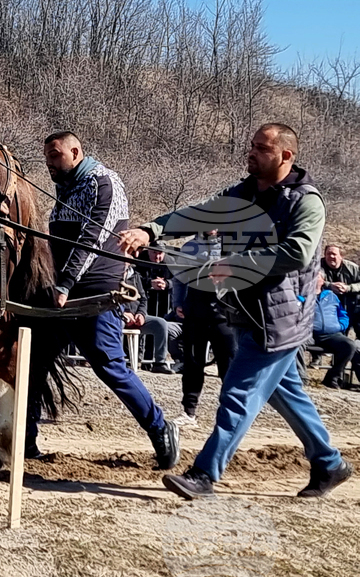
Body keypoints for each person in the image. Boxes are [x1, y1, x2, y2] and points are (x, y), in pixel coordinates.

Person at [121, 122, 353, 499]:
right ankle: (329, 463)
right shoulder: (242, 194)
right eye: (252, 145)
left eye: (262, 148)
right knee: (285, 393)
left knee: (238, 393)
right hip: (247, 311)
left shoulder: (305, 200)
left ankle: (204, 473)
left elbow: (298, 252)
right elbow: (198, 214)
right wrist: (150, 231)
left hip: (281, 318)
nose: (252, 152)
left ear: (286, 155)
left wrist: (236, 264)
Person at [41, 131, 179, 469]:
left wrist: (65, 283)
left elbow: (94, 236)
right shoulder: (66, 188)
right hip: (61, 290)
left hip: (95, 291)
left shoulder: (103, 182)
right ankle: (23, 439)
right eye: (47, 157)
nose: (50, 163)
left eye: (55, 155)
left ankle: (160, 427)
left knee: (109, 366)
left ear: (76, 151)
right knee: (35, 361)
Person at [170, 231, 238, 428]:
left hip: (224, 315)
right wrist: (178, 303)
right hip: (194, 312)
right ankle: (188, 412)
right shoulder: (189, 247)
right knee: (192, 363)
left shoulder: (233, 246)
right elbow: (179, 278)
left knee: (229, 365)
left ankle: (232, 414)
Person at [122, 268, 182, 375]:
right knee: (116, 325)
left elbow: (143, 298)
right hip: (119, 316)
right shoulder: (113, 273)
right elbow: (109, 297)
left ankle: (159, 363)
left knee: (160, 323)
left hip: (136, 316)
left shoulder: (135, 275)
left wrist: (141, 314)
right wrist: (123, 312)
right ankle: (117, 361)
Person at [312, 272, 359, 389]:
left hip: (332, 335)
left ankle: (332, 378)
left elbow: (343, 315)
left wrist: (340, 326)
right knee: (295, 344)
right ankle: (301, 377)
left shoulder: (331, 296)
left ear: (323, 281)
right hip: (309, 334)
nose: (313, 277)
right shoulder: (302, 295)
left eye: (317, 276)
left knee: (349, 345)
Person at [320, 245, 360, 335]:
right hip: (327, 307)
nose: (331, 256)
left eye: (334, 254)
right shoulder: (318, 266)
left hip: (350, 305)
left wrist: (348, 288)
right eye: (328, 254)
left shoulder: (352, 268)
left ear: (341, 256)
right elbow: (313, 281)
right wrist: (329, 286)